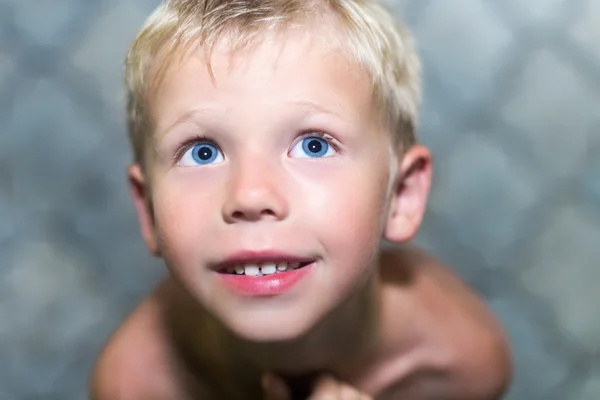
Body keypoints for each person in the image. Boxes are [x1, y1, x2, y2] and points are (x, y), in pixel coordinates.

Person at [90, 0, 512, 398]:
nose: (250, 194)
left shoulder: (457, 363)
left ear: (400, 196)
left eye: (314, 145)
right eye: (203, 152)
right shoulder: (134, 387)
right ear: (148, 211)